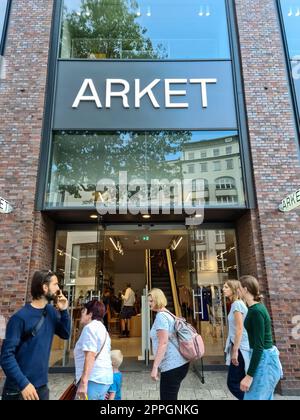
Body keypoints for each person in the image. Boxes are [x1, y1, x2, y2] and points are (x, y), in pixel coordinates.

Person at [0, 270, 71, 400]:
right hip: (19, 389)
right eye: (55, 284)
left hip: (41, 387)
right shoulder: (19, 318)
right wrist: (23, 383)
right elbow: (6, 356)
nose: (58, 288)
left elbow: (65, 334)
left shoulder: (51, 312)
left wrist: (64, 310)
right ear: (45, 288)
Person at [239, 275, 283, 400]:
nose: (238, 290)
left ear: (245, 289)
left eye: (239, 288)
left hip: (264, 360)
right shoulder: (255, 308)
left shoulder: (256, 311)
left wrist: (249, 376)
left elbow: (259, 345)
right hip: (263, 358)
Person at [148, 288, 189, 400]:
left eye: (151, 301)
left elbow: (163, 343)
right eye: (149, 301)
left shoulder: (161, 316)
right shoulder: (168, 313)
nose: (149, 303)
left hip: (172, 365)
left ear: (158, 300)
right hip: (179, 363)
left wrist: (155, 367)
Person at [74, 300, 113, 400]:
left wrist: (83, 382)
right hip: (104, 379)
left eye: (84, 311)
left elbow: (90, 355)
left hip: (93, 379)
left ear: (90, 314)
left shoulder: (89, 328)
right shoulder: (103, 329)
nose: (81, 313)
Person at [223, 280, 250, 400]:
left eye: (226, 287)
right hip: (240, 346)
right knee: (239, 381)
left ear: (233, 289)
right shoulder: (237, 304)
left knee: (233, 383)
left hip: (240, 348)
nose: (223, 289)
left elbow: (240, 328)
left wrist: (235, 351)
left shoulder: (237, 305)